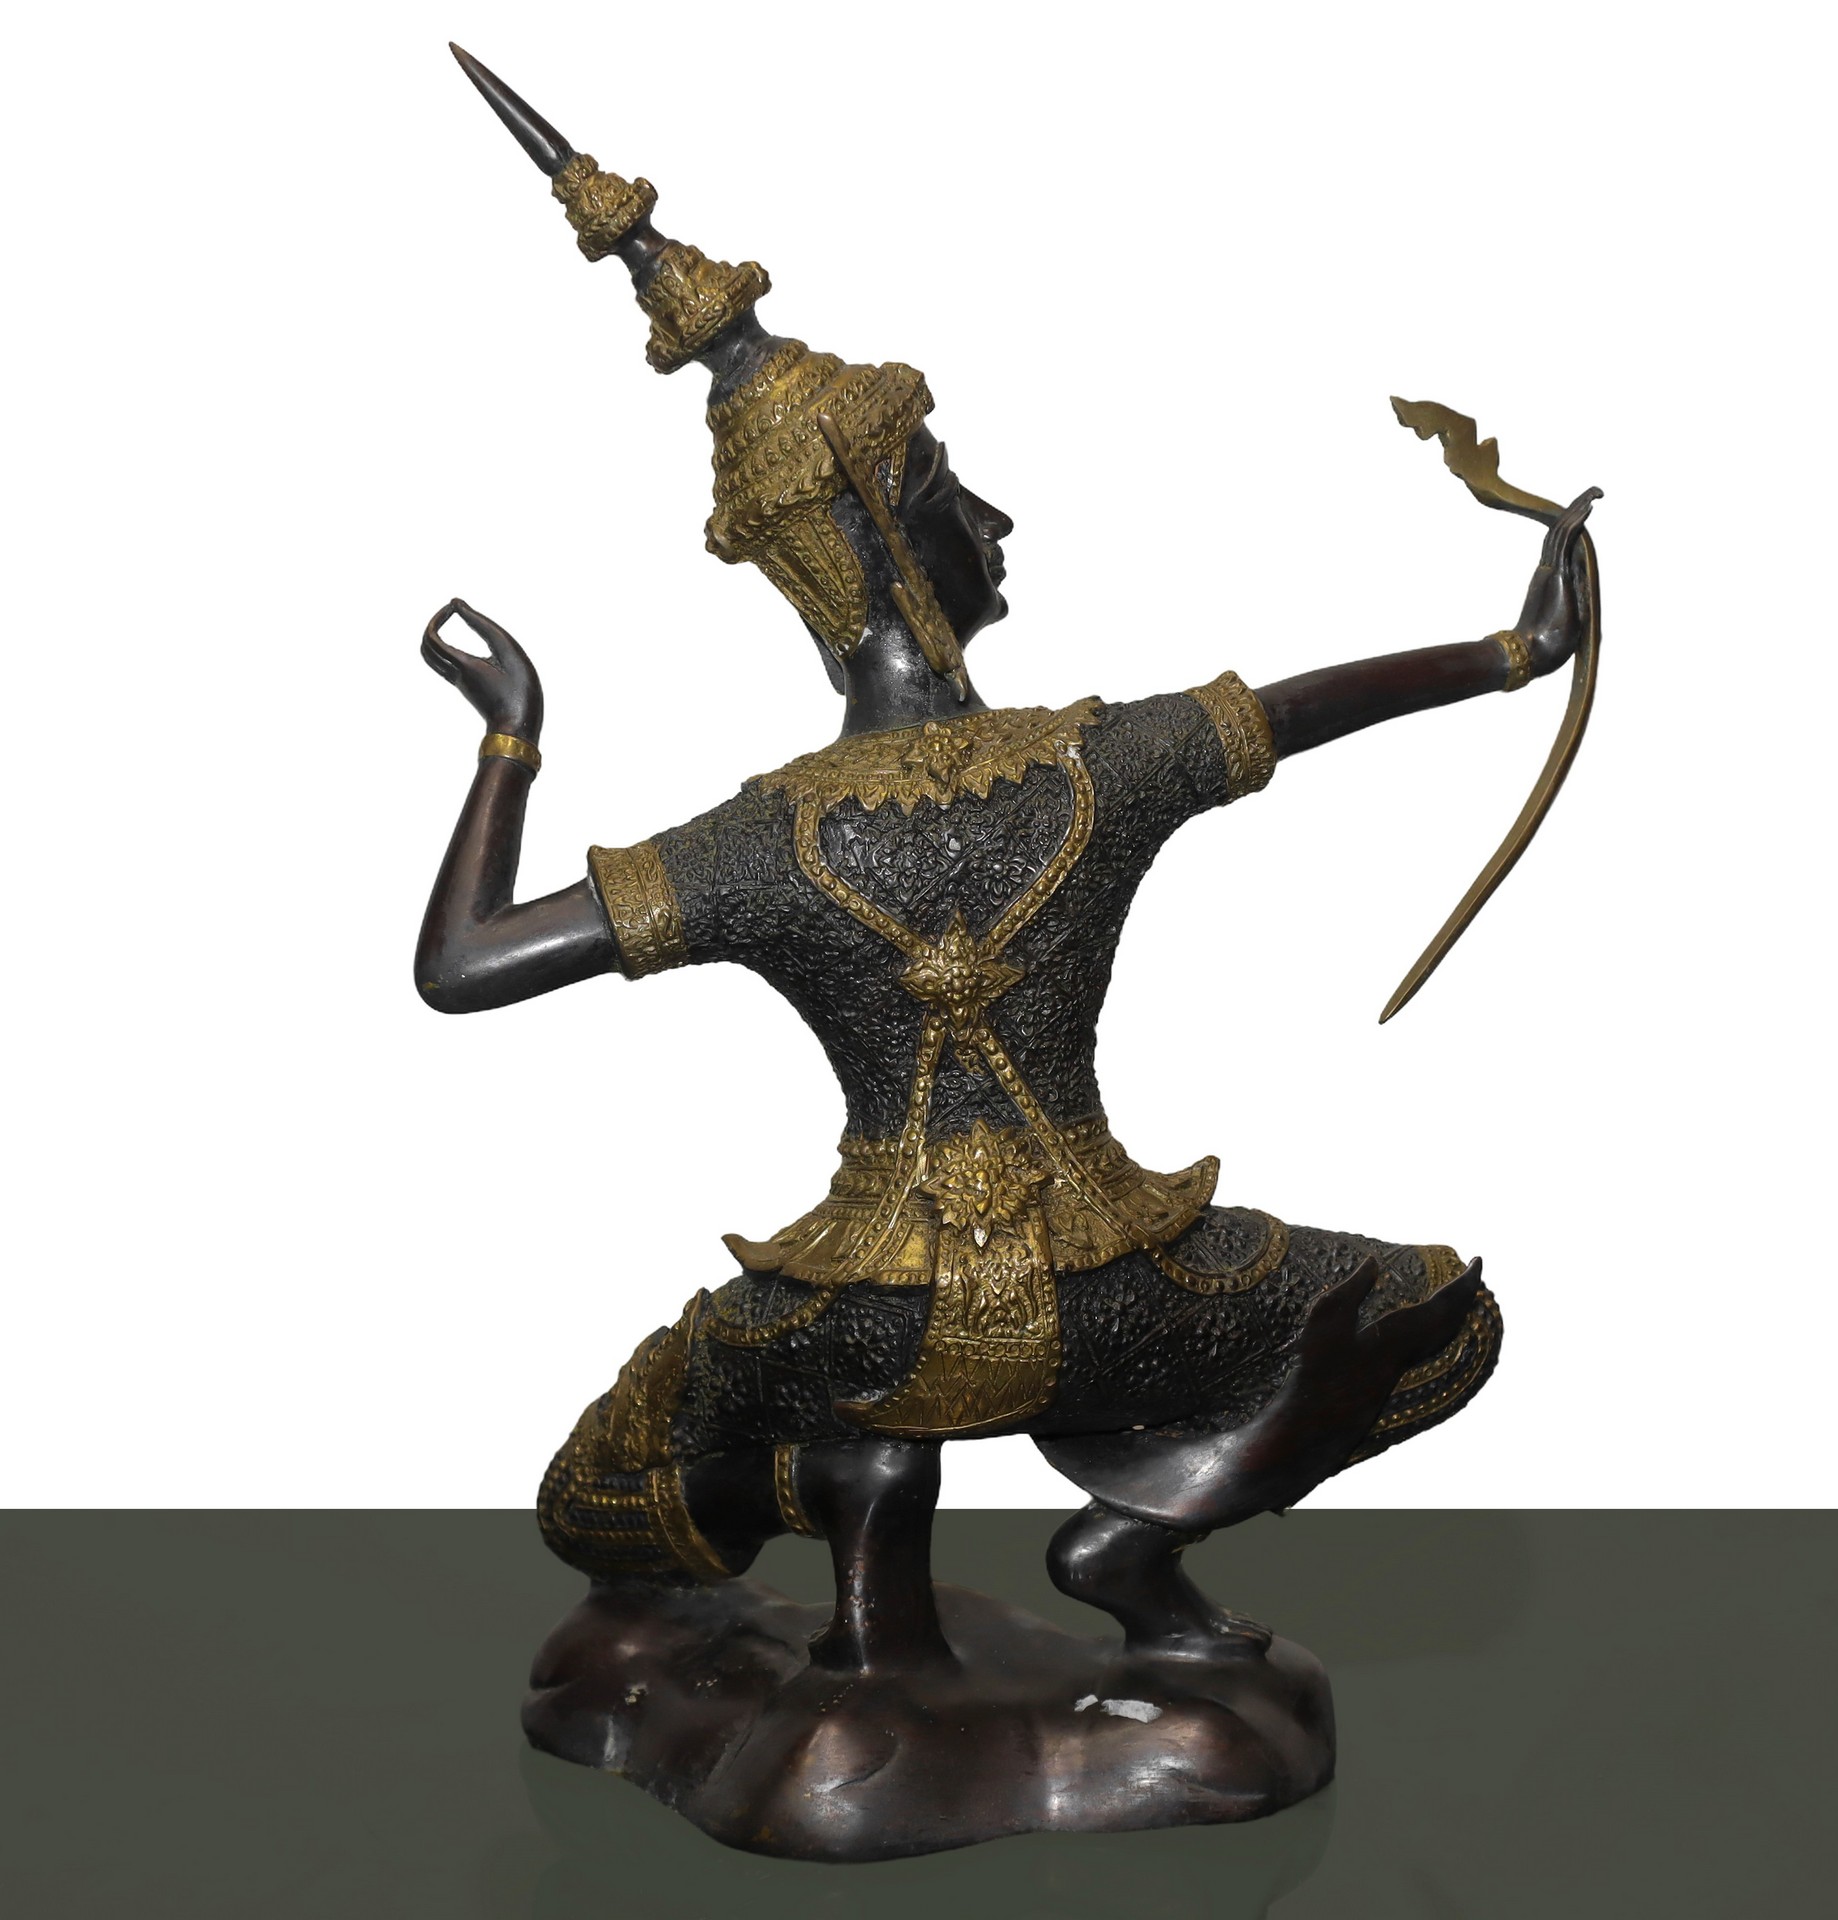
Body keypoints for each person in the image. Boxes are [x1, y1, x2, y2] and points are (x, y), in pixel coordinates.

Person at [416, 49, 1597, 1675]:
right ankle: (1131, 1545)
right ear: (890, 539)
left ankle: (857, 1533)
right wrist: (1514, 654)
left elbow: (464, 964)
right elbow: (1299, 708)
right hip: (1125, 1295)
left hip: (864, 1322)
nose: (995, 522)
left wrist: (511, 739)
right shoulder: (1095, 763)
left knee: (627, 1470)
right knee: (1435, 1317)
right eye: (952, 491)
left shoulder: (758, 843)